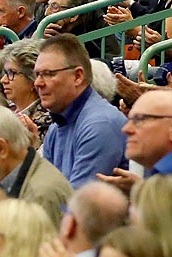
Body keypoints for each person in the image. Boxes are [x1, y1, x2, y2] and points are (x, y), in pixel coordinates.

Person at [34, 35, 127, 188]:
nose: (38, 83)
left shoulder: (100, 124)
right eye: (37, 74)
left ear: (78, 76)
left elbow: (78, 205)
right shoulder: (55, 128)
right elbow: (47, 193)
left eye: (49, 74)